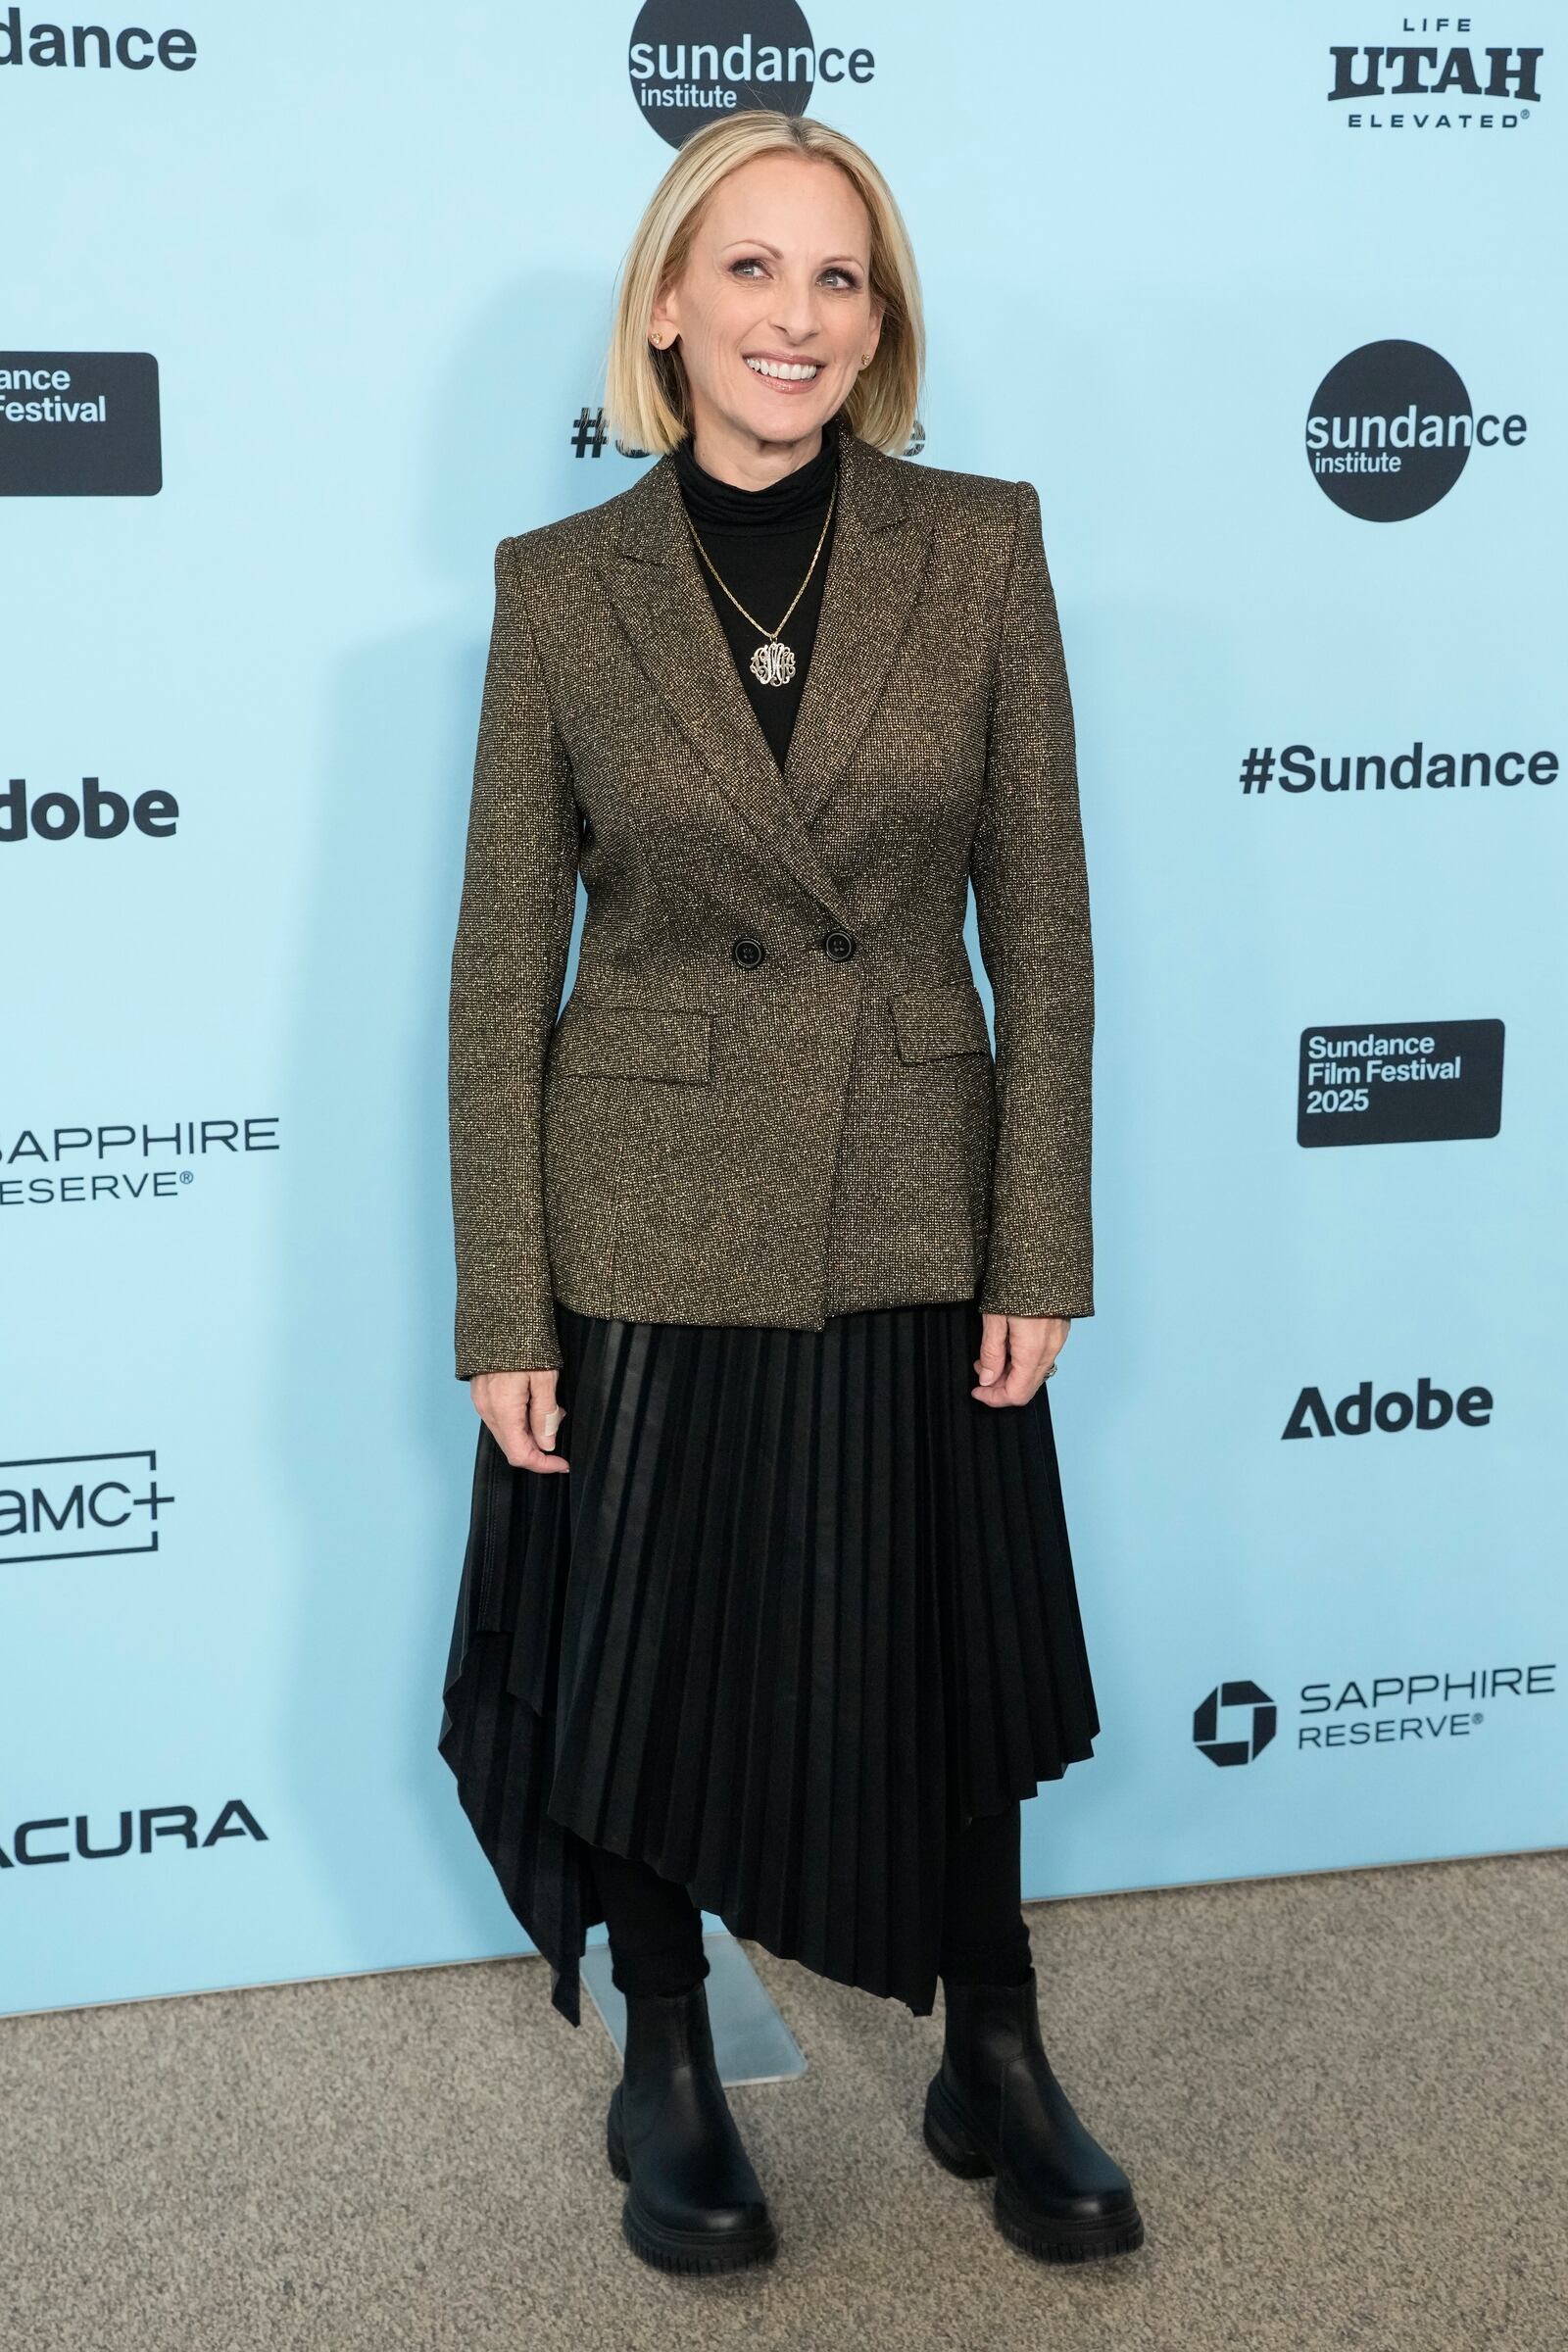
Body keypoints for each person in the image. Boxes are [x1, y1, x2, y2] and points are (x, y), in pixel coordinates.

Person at [438, 108, 1144, 2277]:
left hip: (912, 1191)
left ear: (880, 320)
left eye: (836, 279)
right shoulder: (557, 593)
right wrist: (502, 1307)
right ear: (666, 308)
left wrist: (1039, 1240)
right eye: (748, 272)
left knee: (938, 1639)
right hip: (641, 1199)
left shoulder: (979, 543)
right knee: (642, 1649)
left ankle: (988, 2048)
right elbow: (493, 968)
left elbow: (1043, 922)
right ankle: (666, 2055)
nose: (793, 316)